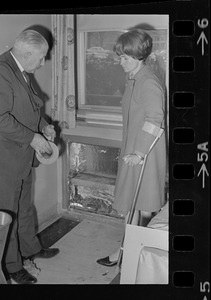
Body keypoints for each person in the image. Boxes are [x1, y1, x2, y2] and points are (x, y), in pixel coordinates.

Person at [0, 29, 59, 284]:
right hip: (4, 160)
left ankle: (31, 249)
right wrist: (34, 138)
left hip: (22, 156)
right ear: (27, 54)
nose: (42, 63)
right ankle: (11, 266)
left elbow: (26, 108)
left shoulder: (19, 69)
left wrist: (44, 126)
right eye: (41, 58)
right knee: (6, 216)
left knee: (24, 208)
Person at [97, 28, 166, 267]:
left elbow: (155, 120)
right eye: (119, 56)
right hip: (133, 150)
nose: (120, 61)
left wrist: (139, 152)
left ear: (140, 56)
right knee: (133, 205)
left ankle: (134, 254)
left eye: (125, 57)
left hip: (144, 153)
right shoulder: (133, 78)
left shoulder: (148, 82)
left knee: (141, 205)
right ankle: (129, 251)